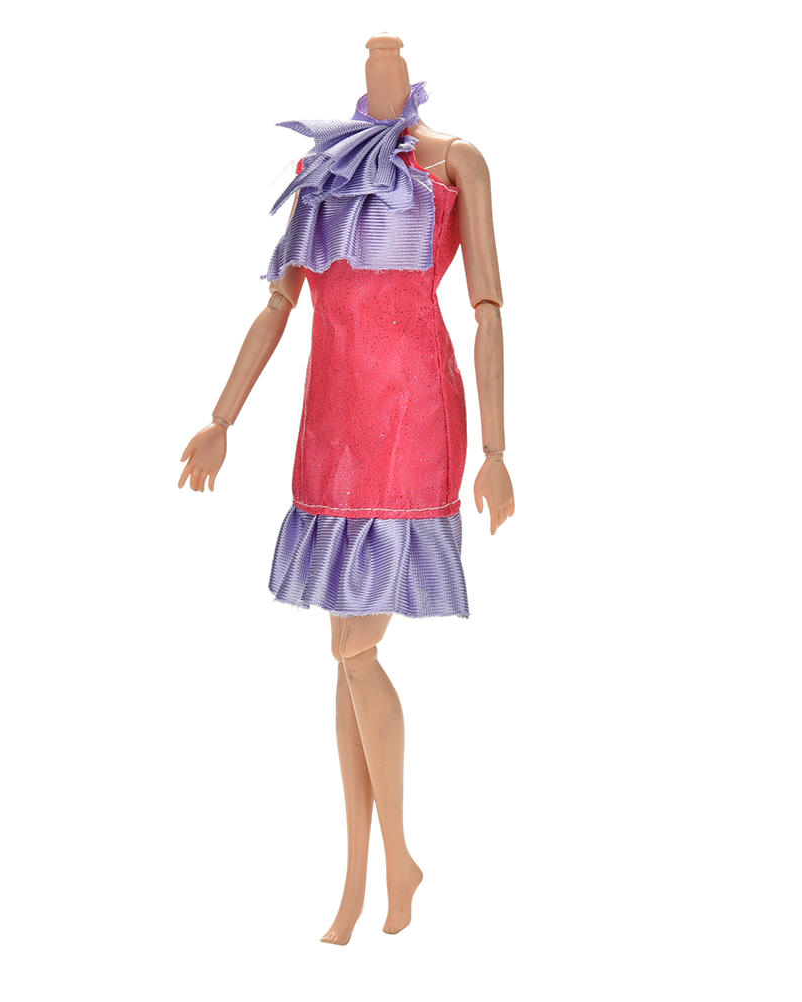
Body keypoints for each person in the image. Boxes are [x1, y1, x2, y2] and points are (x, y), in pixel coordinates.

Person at [178, 35, 514, 945]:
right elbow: (278, 305)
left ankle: (398, 858)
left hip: (412, 411)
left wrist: (496, 448)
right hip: (332, 417)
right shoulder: (318, 170)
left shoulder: (457, 161)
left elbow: (489, 308)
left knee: (357, 650)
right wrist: (221, 417)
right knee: (343, 653)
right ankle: (361, 878)